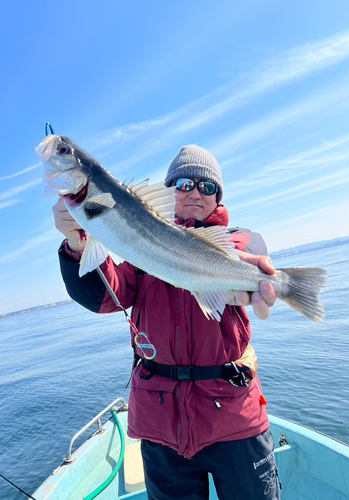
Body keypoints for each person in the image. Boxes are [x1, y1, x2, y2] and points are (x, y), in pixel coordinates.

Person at [53, 144, 281, 500]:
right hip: (161, 425)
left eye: (207, 187)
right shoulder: (142, 251)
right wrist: (75, 241)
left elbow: (243, 252)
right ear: (168, 191)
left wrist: (250, 275)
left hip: (234, 417)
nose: (195, 192)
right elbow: (102, 295)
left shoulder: (236, 239)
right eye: (184, 183)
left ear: (218, 198)